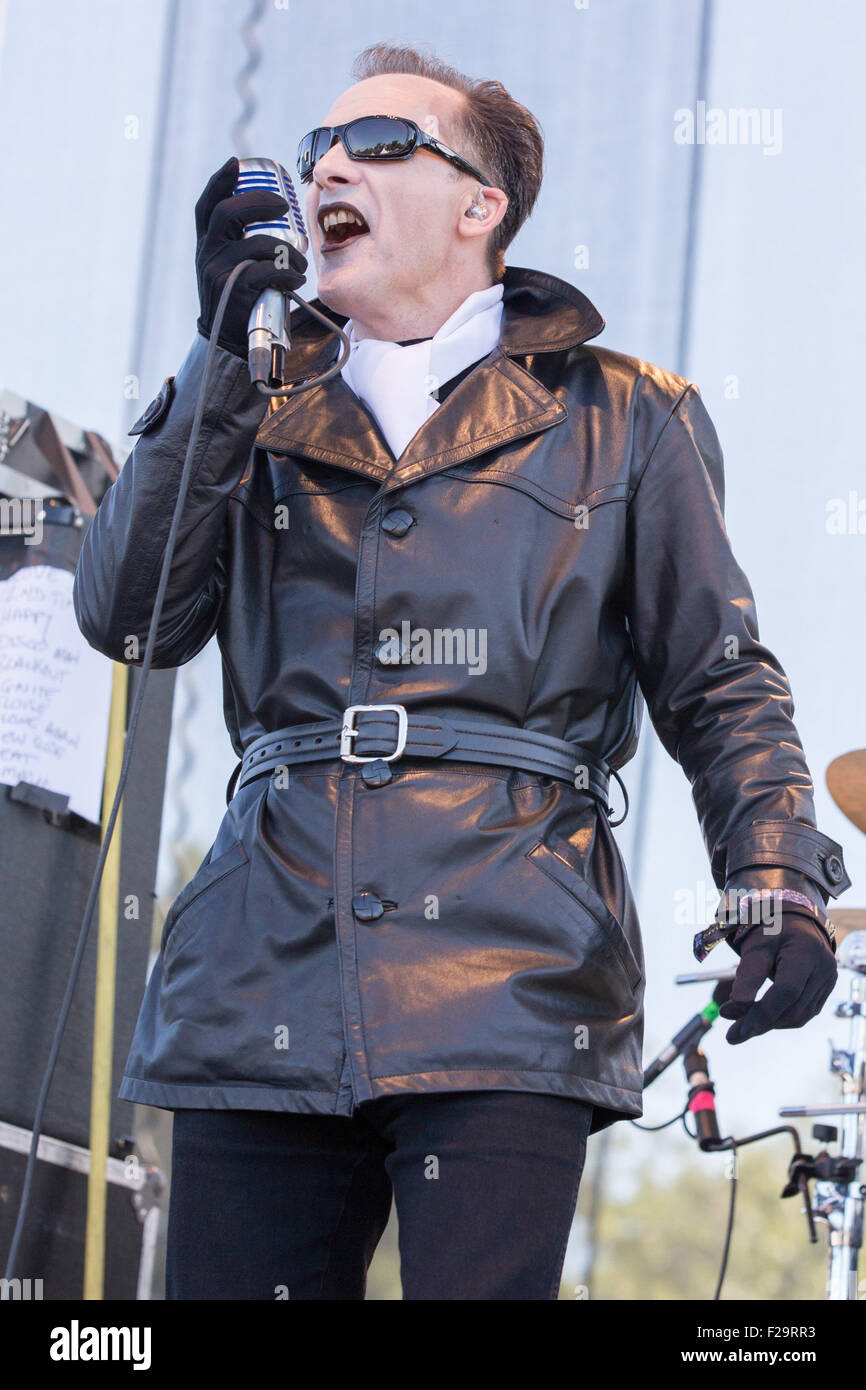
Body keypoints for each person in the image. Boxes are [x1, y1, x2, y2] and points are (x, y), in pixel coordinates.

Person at [73, 42, 849, 1300]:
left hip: (509, 963)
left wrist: (776, 878)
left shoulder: (623, 412)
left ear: (480, 204)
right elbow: (127, 613)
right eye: (319, 145)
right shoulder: (253, 397)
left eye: (377, 141)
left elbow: (719, 679)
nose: (329, 161)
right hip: (260, 955)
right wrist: (221, 354)